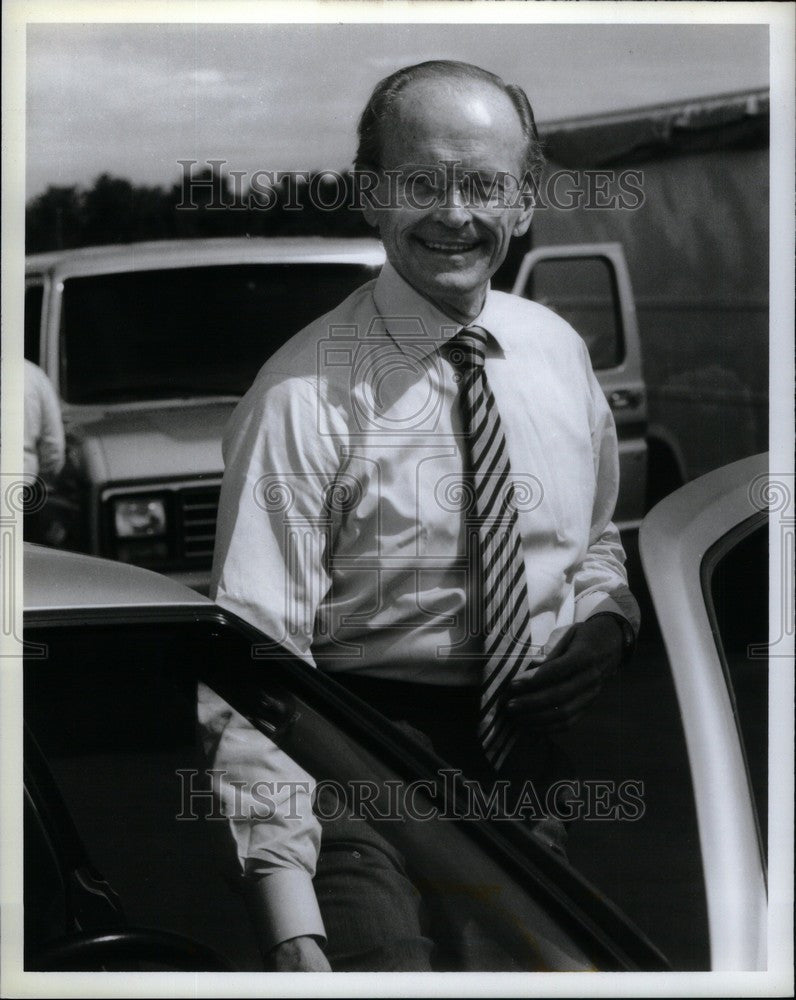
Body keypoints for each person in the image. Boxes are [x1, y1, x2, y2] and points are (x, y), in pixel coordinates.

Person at [200, 59, 639, 972]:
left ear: (524, 202)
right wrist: (288, 912)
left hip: (526, 774)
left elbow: (597, 542)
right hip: (352, 771)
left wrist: (609, 622)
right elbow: (253, 664)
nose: (455, 213)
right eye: (422, 181)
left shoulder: (556, 351)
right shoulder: (299, 396)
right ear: (371, 194)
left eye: (485, 183)